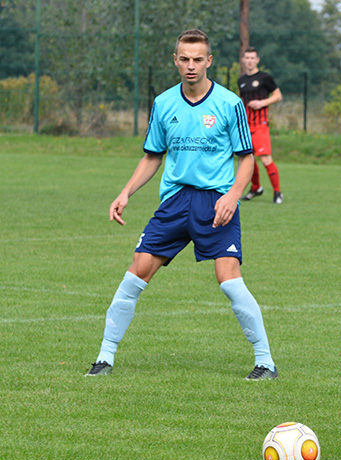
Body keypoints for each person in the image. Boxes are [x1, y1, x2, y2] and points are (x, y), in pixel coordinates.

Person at [85, 29, 278, 381]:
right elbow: (152, 156)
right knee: (136, 271)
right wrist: (126, 192)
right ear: (176, 60)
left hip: (216, 203)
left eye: (197, 59)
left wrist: (233, 196)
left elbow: (247, 158)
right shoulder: (163, 103)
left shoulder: (229, 103)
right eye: (184, 59)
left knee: (229, 280)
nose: (191, 66)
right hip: (175, 202)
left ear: (209, 61)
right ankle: (104, 357)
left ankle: (265, 362)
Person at [238, 47, 284, 204]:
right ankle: (256, 188)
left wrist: (262, 103)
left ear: (257, 60)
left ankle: (278, 192)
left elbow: (278, 96)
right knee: (247, 158)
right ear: (243, 60)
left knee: (265, 159)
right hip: (246, 126)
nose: (250, 61)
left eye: (252, 58)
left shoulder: (265, 78)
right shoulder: (242, 80)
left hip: (260, 125)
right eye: (247, 58)